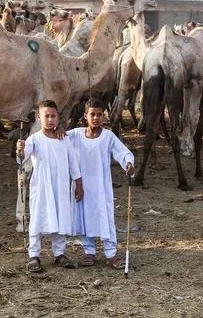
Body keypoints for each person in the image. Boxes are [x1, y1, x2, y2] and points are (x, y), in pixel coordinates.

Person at [16, 100, 84, 273]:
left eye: (53, 116)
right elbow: (23, 156)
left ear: (58, 118)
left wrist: (78, 184)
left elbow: (73, 163)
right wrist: (20, 150)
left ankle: (59, 253)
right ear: (39, 117)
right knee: (38, 218)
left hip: (61, 186)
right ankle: (34, 255)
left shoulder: (64, 139)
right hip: (41, 187)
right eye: (46, 116)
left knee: (61, 216)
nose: (50, 119)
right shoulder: (34, 139)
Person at [68, 99, 135, 269]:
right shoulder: (75, 135)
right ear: (85, 116)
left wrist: (128, 164)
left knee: (105, 217)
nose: (96, 118)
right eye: (92, 114)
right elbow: (57, 140)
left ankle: (110, 253)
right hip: (82, 186)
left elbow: (123, 153)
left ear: (104, 116)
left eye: (99, 114)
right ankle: (89, 251)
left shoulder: (108, 137)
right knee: (85, 216)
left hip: (101, 187)